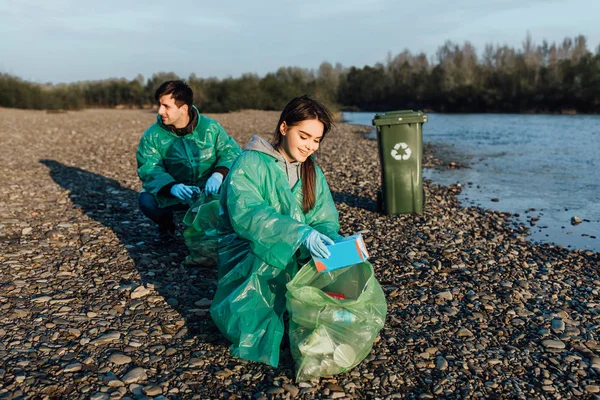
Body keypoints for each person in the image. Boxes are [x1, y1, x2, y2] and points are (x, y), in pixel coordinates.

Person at [210, 95, 342, 367]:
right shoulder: (250, 163)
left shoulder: (312, 173)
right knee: (263, 273)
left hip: (295, 251)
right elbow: (249, 214)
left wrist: (328, 241)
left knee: (344, 265)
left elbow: (324, 218)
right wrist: (299, 234)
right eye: (304, 136)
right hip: (250, 254)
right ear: (284, 128)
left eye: (316, 140)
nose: (310, 147)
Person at [136, 80, 241, 241]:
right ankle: (167, 225)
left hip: (209, 192)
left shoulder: (211, 128)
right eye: (159, 105)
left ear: (183, 109)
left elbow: (231, 152)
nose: (159, 111)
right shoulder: (153, 135)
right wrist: (171, 186)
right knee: (146, 200)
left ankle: (219, 226)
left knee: (238, 191)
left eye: (166, 106)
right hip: (176, 195)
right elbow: (148, 167)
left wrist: (218, 175)